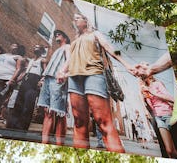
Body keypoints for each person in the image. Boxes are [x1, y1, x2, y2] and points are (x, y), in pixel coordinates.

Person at [57, 13, 134, 153]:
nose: (74, 20)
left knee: (102, 121)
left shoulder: (95, 34)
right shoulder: (75, 40)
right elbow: (70, 59)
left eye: (78, 17)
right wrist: (62, 71)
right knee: (79, 121)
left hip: (94, 74)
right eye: (73, 18)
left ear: (86, 21)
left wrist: (126, 64)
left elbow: (109, 47)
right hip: (74, 78)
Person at [37, 30, 70, 145]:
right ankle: (44, 143)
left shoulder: (68, 47)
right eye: (55, 34)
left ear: (65, 37)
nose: (56, 35)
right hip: (48, 79)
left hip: (58, 80)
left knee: (59, 112)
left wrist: (63, 74)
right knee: (47, 111)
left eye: (59, 33)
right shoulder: (57, 50)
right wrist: (43, 78)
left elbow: (70, 61)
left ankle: (60, 144)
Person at [6, 45, 47, 130]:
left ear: (42, 51)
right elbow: (25, 71)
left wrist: (42, 80)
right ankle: (12, 125)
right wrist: (17, 80)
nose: (36, 48)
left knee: (28, 106)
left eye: (38, 47)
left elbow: (45, 72)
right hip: (25, 81)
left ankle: (22, 128)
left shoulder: (43, 60)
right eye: (35, 47)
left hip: (34, 81)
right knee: (18, 103)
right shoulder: (30, 60)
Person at [140, 71, 177, 158]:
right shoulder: (146, 89)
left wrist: (151, 91)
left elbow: (170, 98)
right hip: (158, 117)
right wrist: (143, 95)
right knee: (169, 150)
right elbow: (148, 106)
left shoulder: (157, 84)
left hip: (168, 114)